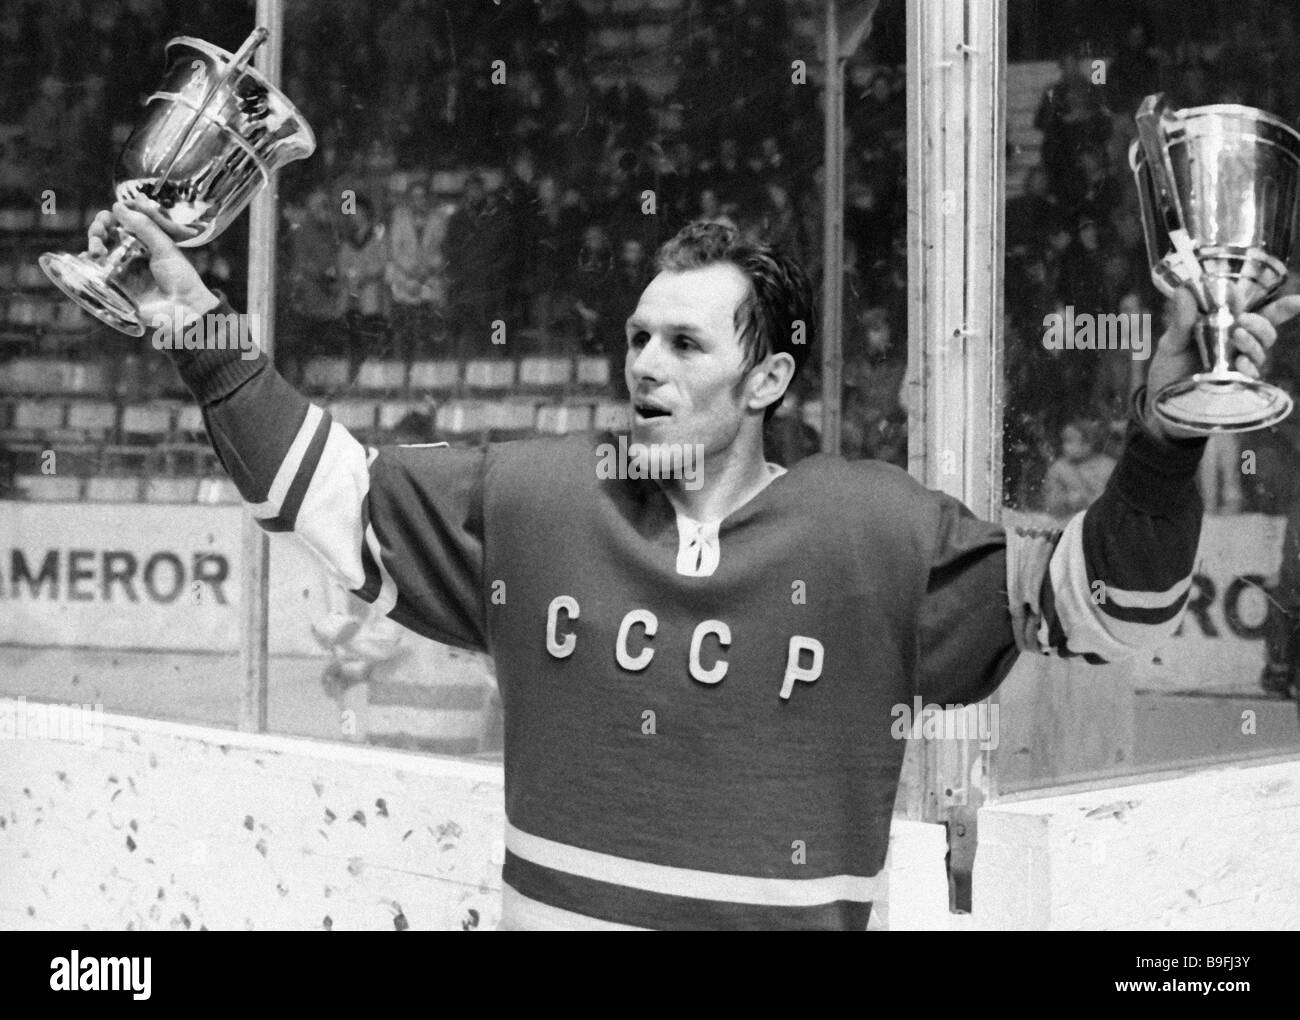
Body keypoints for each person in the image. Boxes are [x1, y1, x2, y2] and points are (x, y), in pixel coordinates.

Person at [86, 199, 1298, 930]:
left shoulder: (877, 533)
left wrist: (1162, 438)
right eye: (635, 339)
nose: (645, 366)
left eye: (682, 341)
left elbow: (1109, 607)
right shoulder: (539, 495)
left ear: (768, 379)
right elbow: (324, 490)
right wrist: (204, 337)